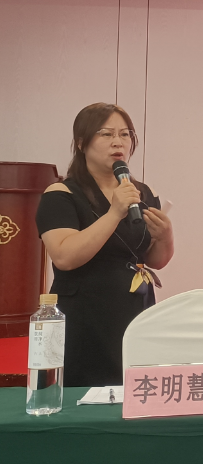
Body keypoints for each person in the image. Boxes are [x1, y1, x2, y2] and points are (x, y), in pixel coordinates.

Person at [35, 103, 174, 387]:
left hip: (135, 307)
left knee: (136, 389)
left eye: (125, 134)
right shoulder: (61, 194)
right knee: (83, 396)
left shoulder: (142, 192)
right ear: (81, 143)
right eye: (106, 134)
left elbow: (155, 260)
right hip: (84, 314)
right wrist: (114, 213)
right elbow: (64, 256)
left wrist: (165, 235)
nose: (117, 142)